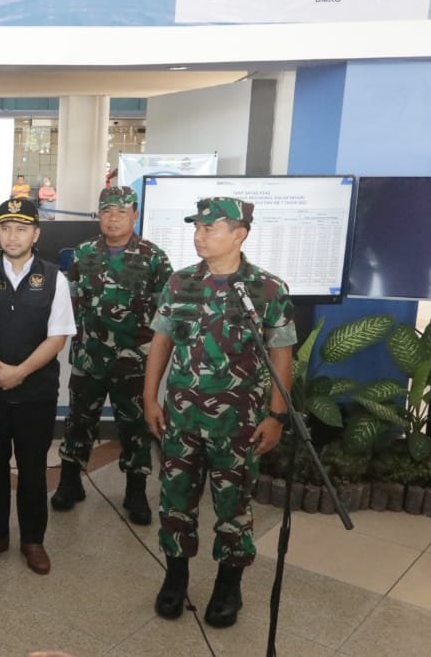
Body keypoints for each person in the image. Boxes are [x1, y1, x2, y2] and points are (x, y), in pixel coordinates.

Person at [144, 197, 295, 629]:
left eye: (210, 229)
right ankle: (175, 579)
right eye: (198, 228)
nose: (200, 235)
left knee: (233, 507)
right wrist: (150, 399)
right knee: (175, 504)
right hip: (182, 420)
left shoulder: (267, 289)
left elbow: (281, 355)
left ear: (239, 234)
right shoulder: (180, 283)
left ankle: (229, 586)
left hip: (239, 423)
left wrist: (276, 416)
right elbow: (160, 343)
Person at [0, 197, 75, 576]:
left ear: (36, 233)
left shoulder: (55, 278)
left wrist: (19, 372)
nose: (12, 235)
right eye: (5, 228)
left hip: (36, 392)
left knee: (33, 467)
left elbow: (58, 338)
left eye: (21, 228)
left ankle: (32, 540)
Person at [50, 187, 173, 525]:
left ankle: (135, 490)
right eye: (106, 212)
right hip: (90, 358)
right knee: (78, 421)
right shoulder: (84, 253)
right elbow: (70, 301)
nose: (113, 218)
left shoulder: (154, 257)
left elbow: (166, 315)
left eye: (121, 212)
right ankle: (70, 481)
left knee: (134, 426)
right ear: (99, 215)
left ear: (134, 215)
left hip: (135, 361)